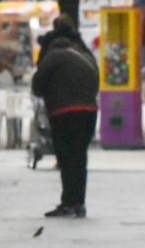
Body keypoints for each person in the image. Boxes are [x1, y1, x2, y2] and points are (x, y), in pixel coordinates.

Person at [30, 16, 99, 218]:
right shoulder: (85, 54)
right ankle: (79, 203)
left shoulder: (54, 55)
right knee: (80, 157)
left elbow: (37, 83)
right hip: (88, 110)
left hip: (63, 112)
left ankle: (67, 202)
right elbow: (96, 79)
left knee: (66, 157)